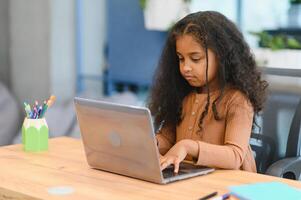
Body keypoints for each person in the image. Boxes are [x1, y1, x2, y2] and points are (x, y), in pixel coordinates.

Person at [147, 11, 268, 173]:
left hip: (230, 184)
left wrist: (187, 146)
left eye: (195, 59)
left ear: (221, 57)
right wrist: (149, 142)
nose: (185, 68)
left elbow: (235, 156)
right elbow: (168, 139)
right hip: (189, 178)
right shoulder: (182, 94)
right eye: (181, 59)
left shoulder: (237, 100)